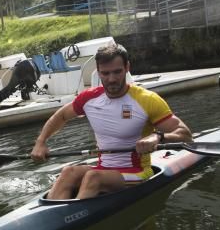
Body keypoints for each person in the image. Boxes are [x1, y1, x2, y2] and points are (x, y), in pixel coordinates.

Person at [31, 43, 191, 199]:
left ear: (127, 67)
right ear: (98, 71)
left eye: (117, 72)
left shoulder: (147, 100)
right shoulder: (89, 98)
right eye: (105, 73)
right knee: (68, 172)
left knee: (93, 177)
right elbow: (61, 116)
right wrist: (41, 142)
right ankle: (58, 214)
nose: (111, 79)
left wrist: (158, 137)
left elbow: (185, 135)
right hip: (103, 169)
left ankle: (77, 220)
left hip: (137, 171)